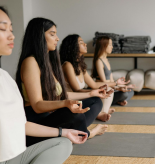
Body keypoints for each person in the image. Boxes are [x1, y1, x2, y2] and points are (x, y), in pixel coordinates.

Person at [0, 3, 87, 164]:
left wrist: (63, 132)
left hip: (16, 156)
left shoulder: (5, 77)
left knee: (63, 143)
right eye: (3, 29)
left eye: (11, 30)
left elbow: (22, 125)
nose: (11, 36)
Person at [15, 18, 109, 146]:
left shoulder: (49, 62)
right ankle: (87, 133)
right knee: (74, 115)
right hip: (37, 121)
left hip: (51, 114)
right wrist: (65, 104)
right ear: (39, 36)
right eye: (52, 34)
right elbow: (37, 105)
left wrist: (91, 93)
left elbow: (64, 95)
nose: (57, 38)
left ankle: (76, 131)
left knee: (95, 101)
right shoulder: (31, 62)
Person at [60, 34, 131, 121]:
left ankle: (101, 112)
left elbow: (94, 84)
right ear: (72, 46)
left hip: (81, 97)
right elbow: (76, 90)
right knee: (98, 98)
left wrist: (116, 83)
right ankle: (100, 113)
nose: (85, 44)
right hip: (72, 100)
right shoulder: (68, 65)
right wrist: (95, 92)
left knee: (108, 91)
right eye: (81, 43)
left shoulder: (80, 65)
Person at [92, 36, 135, 106]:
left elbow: (112, 81)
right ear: (104, 46)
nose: (112, 47)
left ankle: (117, 101)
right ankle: (116, 101)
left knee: (131, 91)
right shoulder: (99, 61)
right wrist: (118, 88)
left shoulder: (106, 60)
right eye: (110, 45)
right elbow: (104, 83)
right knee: (124, 94)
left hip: (111, 88)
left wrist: (123, 86)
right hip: (105, 90)